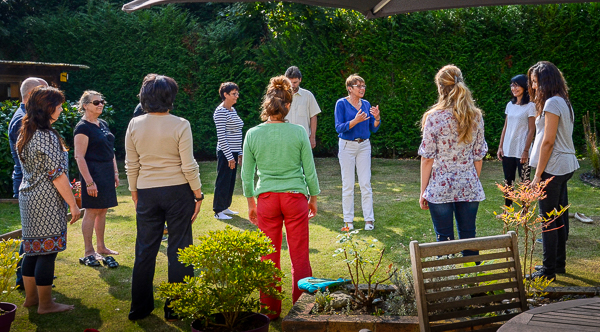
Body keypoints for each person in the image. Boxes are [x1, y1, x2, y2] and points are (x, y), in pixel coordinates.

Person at [241, 75, 320, 320]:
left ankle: (269, 310)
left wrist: (251, 203)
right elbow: (310, 169)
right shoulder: (298, 132)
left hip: (266, 199)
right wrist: (313, 198)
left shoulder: (253, 134)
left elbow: (246, 175)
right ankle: (302, 309)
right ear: (288, 106)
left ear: (268, 105)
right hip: (294, 198)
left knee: (268, 256)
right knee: (299, 256)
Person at [125, 74, 203, 321]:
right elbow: (188, 165)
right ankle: (177, 308)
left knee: (145, 250)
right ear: (170, 97)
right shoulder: (180, 124)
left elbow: (131, 164)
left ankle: (140, 307)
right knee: (180, 248)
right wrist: (198, 195)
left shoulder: (134, 124)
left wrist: (134, 192)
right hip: (178, 191)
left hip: (147, 191)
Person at [16, 86, 81, 314]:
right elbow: (56, 174)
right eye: (59, 105)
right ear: (47, 108)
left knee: (33, 250)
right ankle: (46, 304)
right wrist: (73, 204)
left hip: (28, 198)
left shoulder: (27, 132)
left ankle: (31, 299)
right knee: (47, 252)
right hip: (45, 201)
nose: (62, 109)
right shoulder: (46, 136)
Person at [418, 65, 487, 257]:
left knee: (444, 240)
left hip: (440, 187)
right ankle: (474, 282)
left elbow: (427, 158)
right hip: (468, 184)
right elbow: (478, 156)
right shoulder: (476, 116)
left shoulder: (433, 117)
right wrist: (471, 181)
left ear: (440, 88)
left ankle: (449, 284)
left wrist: (423, 191)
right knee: (469, 237)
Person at [527, 61, 579, 280]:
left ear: (546, 81)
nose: (534, 87)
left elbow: (548, 142)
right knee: (557, 218)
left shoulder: (552, 104)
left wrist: (538, 175)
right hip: (564, 165)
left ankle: (548, 271)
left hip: (553, 167)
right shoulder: (563, 102)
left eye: (536, 82)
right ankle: (558, 264)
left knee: (547, 219)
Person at [8, 77, 48, 289]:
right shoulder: (21, 120)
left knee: (33, 235)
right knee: (30, 236)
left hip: (30, 182)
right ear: (33, 94)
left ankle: (34, 276)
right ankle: (24, 280)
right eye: (45, 91)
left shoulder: (26, 115)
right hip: (28, 183)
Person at [73, 90, 119, 267]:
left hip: (106, 172)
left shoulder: (103, 123)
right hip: (92, 173)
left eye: (102, 101)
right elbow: (79, 157)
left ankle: (101, 247)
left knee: (103, 210)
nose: (100, 104)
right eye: (96, 102)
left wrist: (115, 172)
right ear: (85, 105)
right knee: (92, 210)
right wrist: (89, 182)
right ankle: (88, 251)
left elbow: (110, 150)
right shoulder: (82, 127)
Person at [334, 74, 381, 231]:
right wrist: (355, 121)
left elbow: (373, 128)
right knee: (348, 184)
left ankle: (369, 220)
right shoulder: (341, 104)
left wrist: (377, 118)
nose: (362, 89)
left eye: (364, 86)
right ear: (349, 88)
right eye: (359, 86)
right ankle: (348, 221)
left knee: (365, 183)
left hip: (364, 146)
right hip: (347, 146)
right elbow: (339, 128)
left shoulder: (366, 104)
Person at [497, 74, 536, 208]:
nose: (514, 88)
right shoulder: (510, 105)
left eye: (517, 85)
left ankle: (525, 211)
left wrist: (526, 150)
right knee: (508, 181)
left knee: (524, 182)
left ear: (525, 87)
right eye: (512, 85)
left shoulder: (531, 106)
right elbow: (505, 127)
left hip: (522, 150)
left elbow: (532, 130)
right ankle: (508, 210)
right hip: (508, 149)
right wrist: (500, 146)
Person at [213, 82, 243, 220]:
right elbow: (221, 137)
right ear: (225, 95)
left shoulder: (232, 110)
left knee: (230, 181)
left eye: (237, 93)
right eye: (233, 94)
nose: (236, 96)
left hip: (235, 152)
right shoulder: (220, 112)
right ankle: (218, 211)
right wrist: (230, 157)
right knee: (223, 181)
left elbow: (238, 133)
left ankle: (225, 206)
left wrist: (240, 152)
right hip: (226, 152)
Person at [284, 66, 322, 148]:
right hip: (284, 139)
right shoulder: (280, 96)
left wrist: (312, 137)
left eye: (295, 82)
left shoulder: (308, 95)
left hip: (303, 139)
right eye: (290, 82)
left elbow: (313, 116)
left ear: (300, 79)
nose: (292, 85)